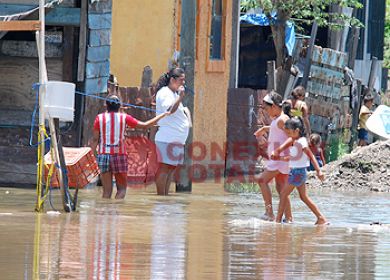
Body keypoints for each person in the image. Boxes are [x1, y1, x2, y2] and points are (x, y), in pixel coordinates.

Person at [90, 95, 169, 199]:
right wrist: (163, 115)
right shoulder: (124, 117)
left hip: (103, 155)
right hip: (119, 156)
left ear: (106, 105)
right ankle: (116, 213)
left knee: (106, 192)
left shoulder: (99, 118)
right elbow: (145, 125)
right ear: (119, 106)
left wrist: (93, 155)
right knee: (121, 190)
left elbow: (95, 140)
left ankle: (105, 213)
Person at [271, 117, 327, 225]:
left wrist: (319, 171)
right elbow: (292, 158)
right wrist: (278, 158)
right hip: (299, 172)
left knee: (283, 194)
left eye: (289, 133)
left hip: (297, 173)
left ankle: (277, 221)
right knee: (303, 197)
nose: (288, 136)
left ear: (296, 131)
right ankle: (321, 218)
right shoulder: (297, 141)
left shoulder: (302, 143)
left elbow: (311, 156)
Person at [254, 91, 292, 222]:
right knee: (281, 188)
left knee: (262, 180)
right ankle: (288, 218)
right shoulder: (278, 119)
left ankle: (269, 213)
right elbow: (277, 128)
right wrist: (265, 128)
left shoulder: (282, 119)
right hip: (279, 160)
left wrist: (279, 150)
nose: (265, 111)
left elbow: (292, 137)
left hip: (280, 159)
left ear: (274, 107)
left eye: (266, 108)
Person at [154, 68, 191, 195]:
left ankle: (165, 196)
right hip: (167, 138)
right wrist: (180, 97)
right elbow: (169, 110)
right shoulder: (165, 93)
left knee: (171, 168)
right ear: (172, 80)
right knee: (164, 168)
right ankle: (160, 197)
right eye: (181, 80)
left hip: (176, 138)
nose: (183, 83)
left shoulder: (174, 93)